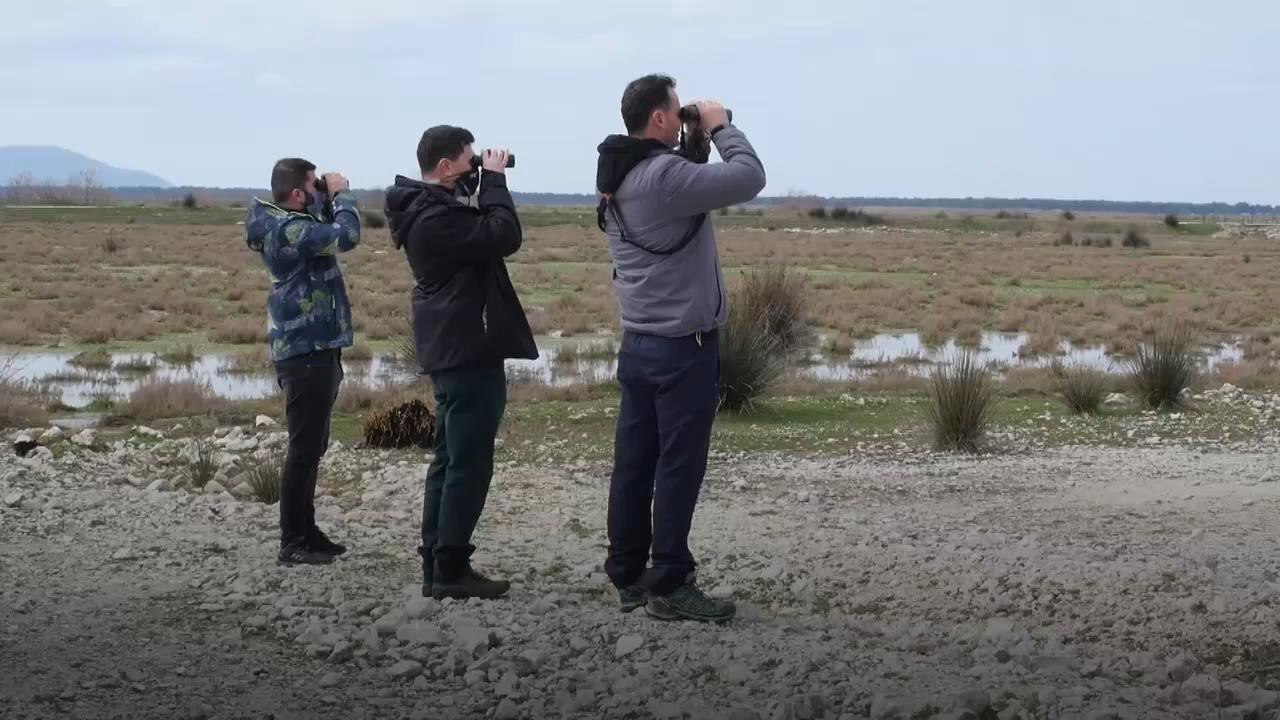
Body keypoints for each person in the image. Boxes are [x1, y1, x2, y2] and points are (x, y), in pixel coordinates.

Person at [595, 74, 766, 622]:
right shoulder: (664, 177)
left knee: (635, 464)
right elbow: (749, 177)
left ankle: (627, 575)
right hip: (682, 349)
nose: (682, 114)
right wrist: (721, 127)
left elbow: (684, 188)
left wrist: (692, 141)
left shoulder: (620, 174)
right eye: (677, 109)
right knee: (678, 467)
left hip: (639, 343)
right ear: (660, 119)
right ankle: (669, 581)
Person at [384, 126, 537, 600]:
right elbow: (503, 235)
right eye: (469, 160)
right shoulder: (434, 218)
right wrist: (493, 181)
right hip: (466, 348)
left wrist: (477, 183)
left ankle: (437, 562)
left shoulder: (427, 207)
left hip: (453, 345)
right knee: (467, 460)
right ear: (446, 166)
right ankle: (449, 566)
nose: (475, 164)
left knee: (448, 457)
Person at [245, 158, 362, 565]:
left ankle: (306, 532)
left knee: (312, 446)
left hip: (314, 346)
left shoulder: (292, 224)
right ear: (297, 194)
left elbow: (324, 230)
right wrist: (342, 197)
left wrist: (326, 199)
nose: (318, 191)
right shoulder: (288, 228)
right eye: (313, 186)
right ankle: (292, 540)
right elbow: (345, 236)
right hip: (305, 350)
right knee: (303, 449)